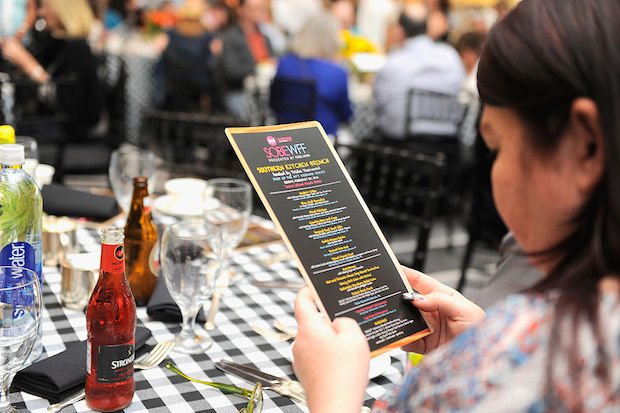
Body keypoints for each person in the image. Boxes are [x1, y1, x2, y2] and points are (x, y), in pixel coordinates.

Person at [292, 0, 620, 411]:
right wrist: (479, 341)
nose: (493, 169)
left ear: (584, 144)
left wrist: (331, 393)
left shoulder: (528, 357)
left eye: (496, 146)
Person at [0, 0, 104, 141]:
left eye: (44, 7)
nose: (40, 13)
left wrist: (30, 67)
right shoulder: (54, 43)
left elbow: (73, 108)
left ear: (63, 11)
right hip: (51, 131)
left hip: (70, 138)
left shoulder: (78, 49)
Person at [372, 2, 464, 141]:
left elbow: (379, 105)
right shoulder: (450, 56)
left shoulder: (393, 63)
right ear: (428, 28)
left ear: (400, 30)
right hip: (449, 147)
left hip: (401, 149)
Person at [270, 12, 352, 136]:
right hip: (323, 138)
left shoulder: (284, 63)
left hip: (285, 135)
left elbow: (274, 103)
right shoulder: (336, 72)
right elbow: (346, 115)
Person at [220, 0, 272, 117]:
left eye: (261, 8)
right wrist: (260, 67)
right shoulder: (231, 37)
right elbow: (232, 72)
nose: (258, 12)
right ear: (241, 10)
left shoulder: (265, 36)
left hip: (264, 91)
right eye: (254, 8)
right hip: (240, 92)